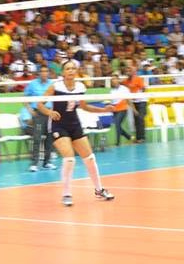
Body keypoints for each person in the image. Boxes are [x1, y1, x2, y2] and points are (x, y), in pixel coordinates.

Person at [36, 60, 115, 207]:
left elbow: (84, 107)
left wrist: (103, 110)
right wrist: (49, 112)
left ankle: (99, 189)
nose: (71, 71)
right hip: (58, 126)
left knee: (90, 158)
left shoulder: (80, 87)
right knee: (70, 159)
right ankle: (66, 194)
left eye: (73, 68)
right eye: (68, 69)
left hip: (75, 124)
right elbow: (40, 104)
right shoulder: (56, 86)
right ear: (63, 72)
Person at [21, 65, 55, 172]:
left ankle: (47, 162)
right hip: (38, 114)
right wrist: (30, 110)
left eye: (46, 71)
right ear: (39, 73)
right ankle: (34, 163)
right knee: (37, 138)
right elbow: (24, 98)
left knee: (50, 138)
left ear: (48, 73)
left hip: (49, 113)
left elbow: (56, 98)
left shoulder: (52, 84)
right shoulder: (32, 84)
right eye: (42, 71)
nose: (44, 73)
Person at [122, 64, 147, 144]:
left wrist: (138, 94)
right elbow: (121, 85)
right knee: (136, 120)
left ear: (134, 72)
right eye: (127, 71)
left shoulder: (138, 79)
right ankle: (138, 138)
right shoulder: (125, 81)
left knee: (140, 119)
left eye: (130, 71)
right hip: (133, 102)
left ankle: (142, 138)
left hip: (141, 101)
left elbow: (144, 88)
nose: (128, 72)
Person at [109, 76, 133, 146]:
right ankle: (129, 136)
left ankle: (118, 143)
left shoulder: (124, 89)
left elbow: (128, 100)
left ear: (118, 80)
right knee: (117, 125)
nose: (114, 81)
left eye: (115, 79)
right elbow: (112, 101)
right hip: (115, 109)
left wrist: (133, 109)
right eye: (112, 80)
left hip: (123, 109)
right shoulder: (111, 91)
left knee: (117, 124)